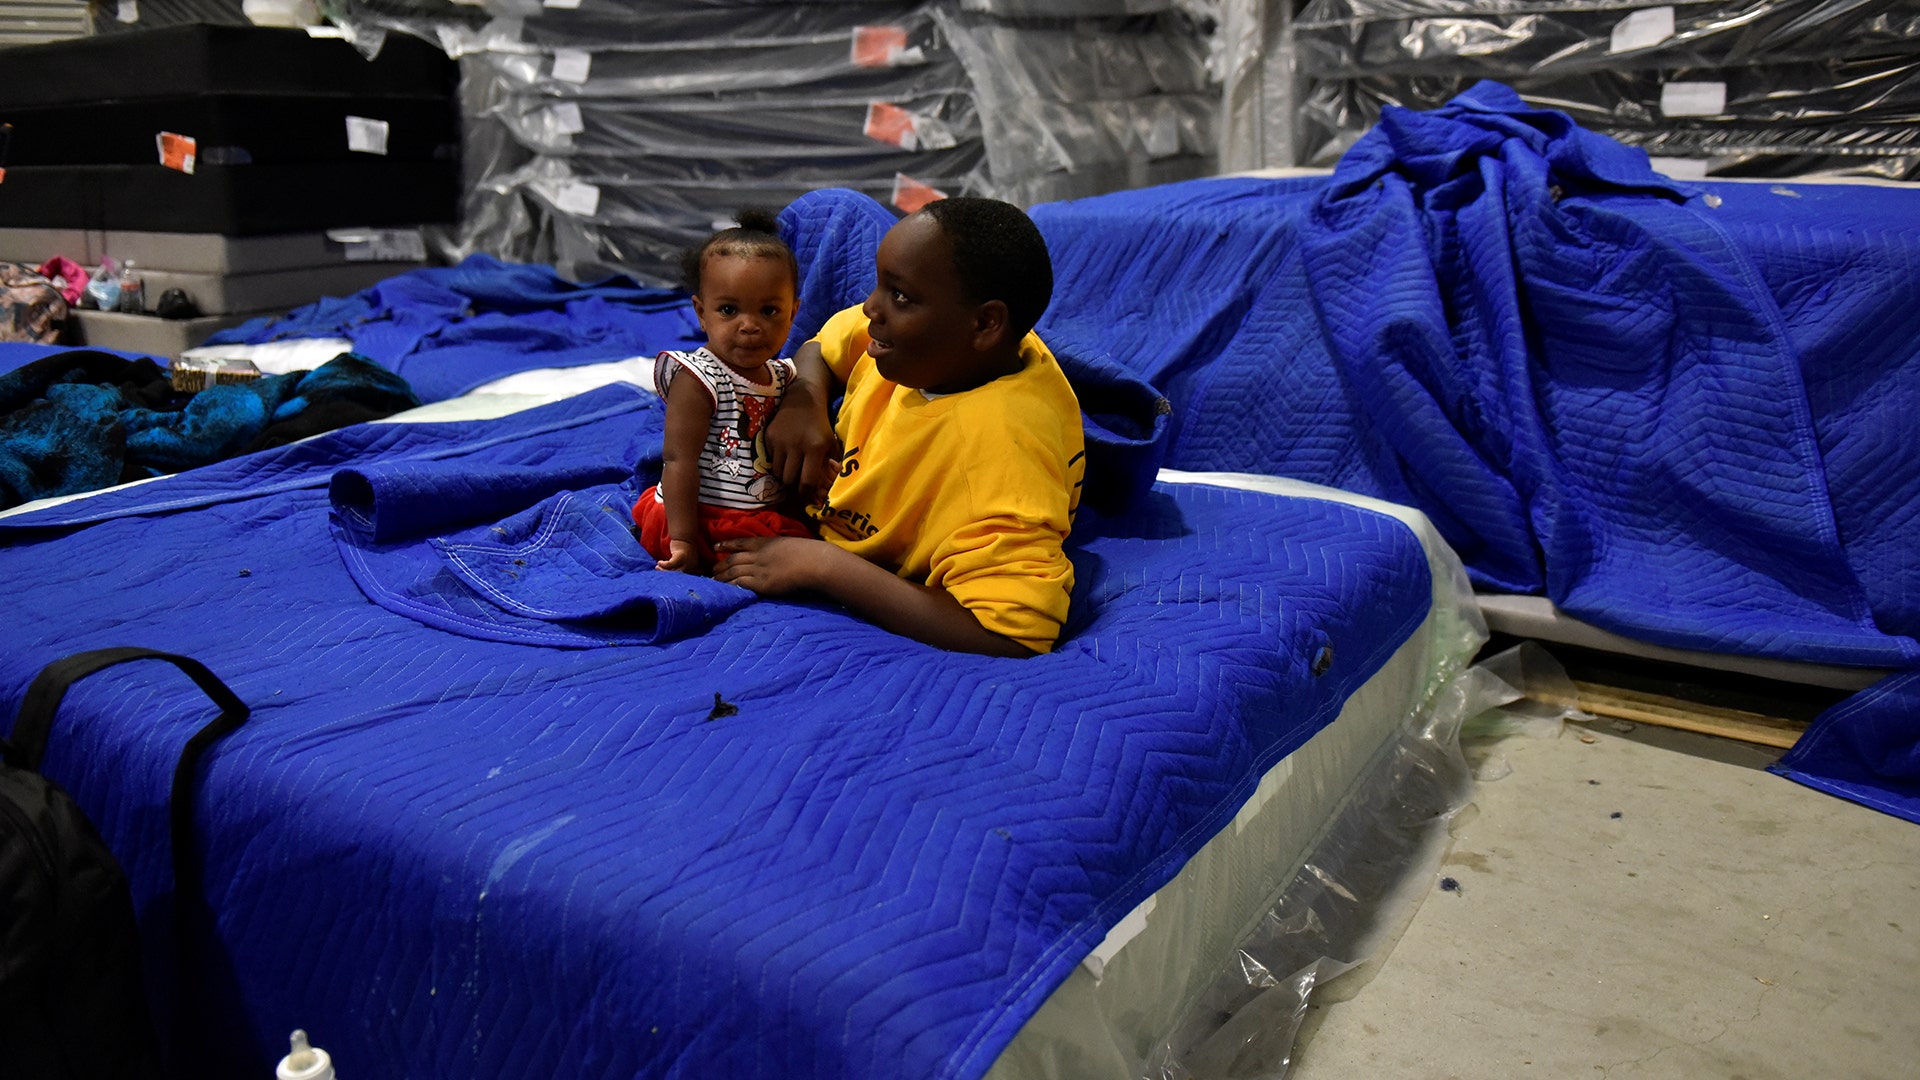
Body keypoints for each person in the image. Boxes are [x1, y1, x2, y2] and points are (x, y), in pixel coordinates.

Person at [712, 196, 1086, 658]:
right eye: (879, 285)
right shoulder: (941, 350)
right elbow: (822, 344)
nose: (870, 307)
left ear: (986, 322)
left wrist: (823, 566)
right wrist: (803, 399)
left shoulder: (999, 458)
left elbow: (1011, 635)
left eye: (901, 296)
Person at [633, 211, 814, 575]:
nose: (749, 326)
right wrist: (682, 540)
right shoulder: (699, 378)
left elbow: (816, 358)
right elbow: (677, 460)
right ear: (702, 313)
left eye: (769, 311)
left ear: (793, 313)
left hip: (756, 509)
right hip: (697, 514)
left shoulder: (782, 377)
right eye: (729, 310)